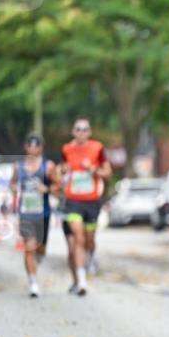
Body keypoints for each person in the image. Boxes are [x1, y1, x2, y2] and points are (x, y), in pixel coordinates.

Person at [60, 118, 111, 296]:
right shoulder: (66, 149)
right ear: (73, 132)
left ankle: (91, 256)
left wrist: (93, 170)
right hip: (73, 201)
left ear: (89, 132)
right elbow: (62, 171)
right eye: (78, 129)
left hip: (92, 201)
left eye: (85, 129)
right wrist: (63, 171)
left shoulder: (97, 148)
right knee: (78, 238)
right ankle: (81, 281)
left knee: (89, 240)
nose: (81, 132)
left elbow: (108, 173)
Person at [10, 134, 58, 297]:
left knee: (41, 249)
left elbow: (60, 187)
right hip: (26, 214)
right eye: (29, 145)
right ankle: (33, 283)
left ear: (41, 147)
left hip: (42, 213)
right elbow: (12, 182)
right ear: (25, 147)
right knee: (29, 247)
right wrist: (14, 188)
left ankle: (40, 255)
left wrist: (47, 189)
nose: (32, 148)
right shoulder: (19, 166)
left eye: (36, 145)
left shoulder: (48, 166)